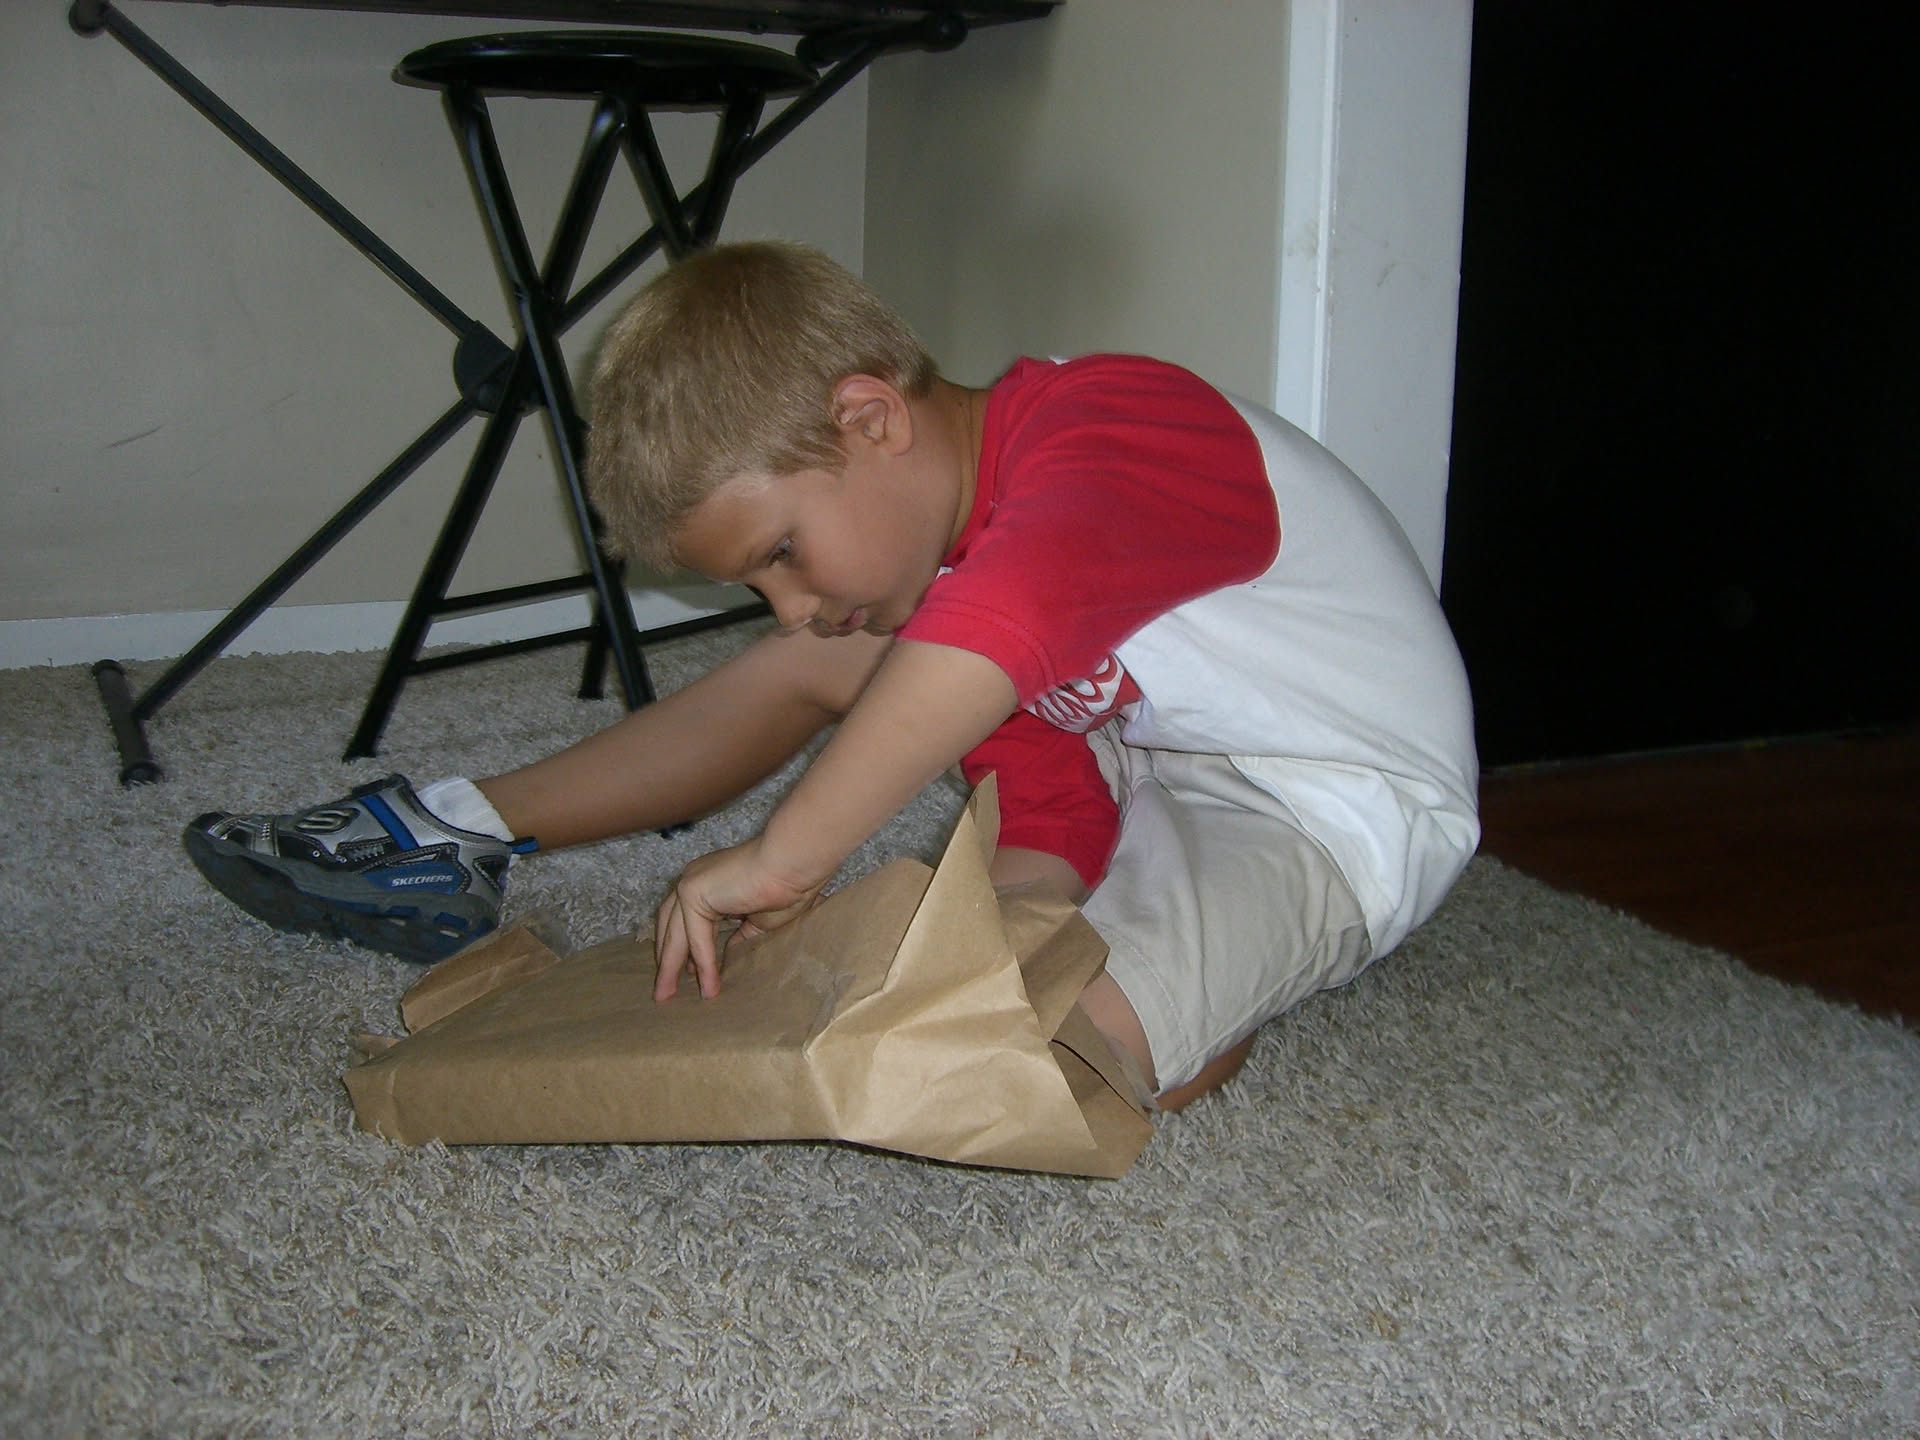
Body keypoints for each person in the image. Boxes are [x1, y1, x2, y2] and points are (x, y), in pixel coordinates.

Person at [185, 241, 1480, 1112]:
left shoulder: (1117, 425)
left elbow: (994, 639)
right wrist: (985, 934)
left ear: (871, 419)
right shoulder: (942, 574)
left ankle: (1229, 988)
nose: (791, 603)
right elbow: (1048, 805)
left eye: (781, 555)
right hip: (1150, 760)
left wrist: (784, 860)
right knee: (864, 725)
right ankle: (449, 828)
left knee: (1046, 1067)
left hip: (1334, 805)